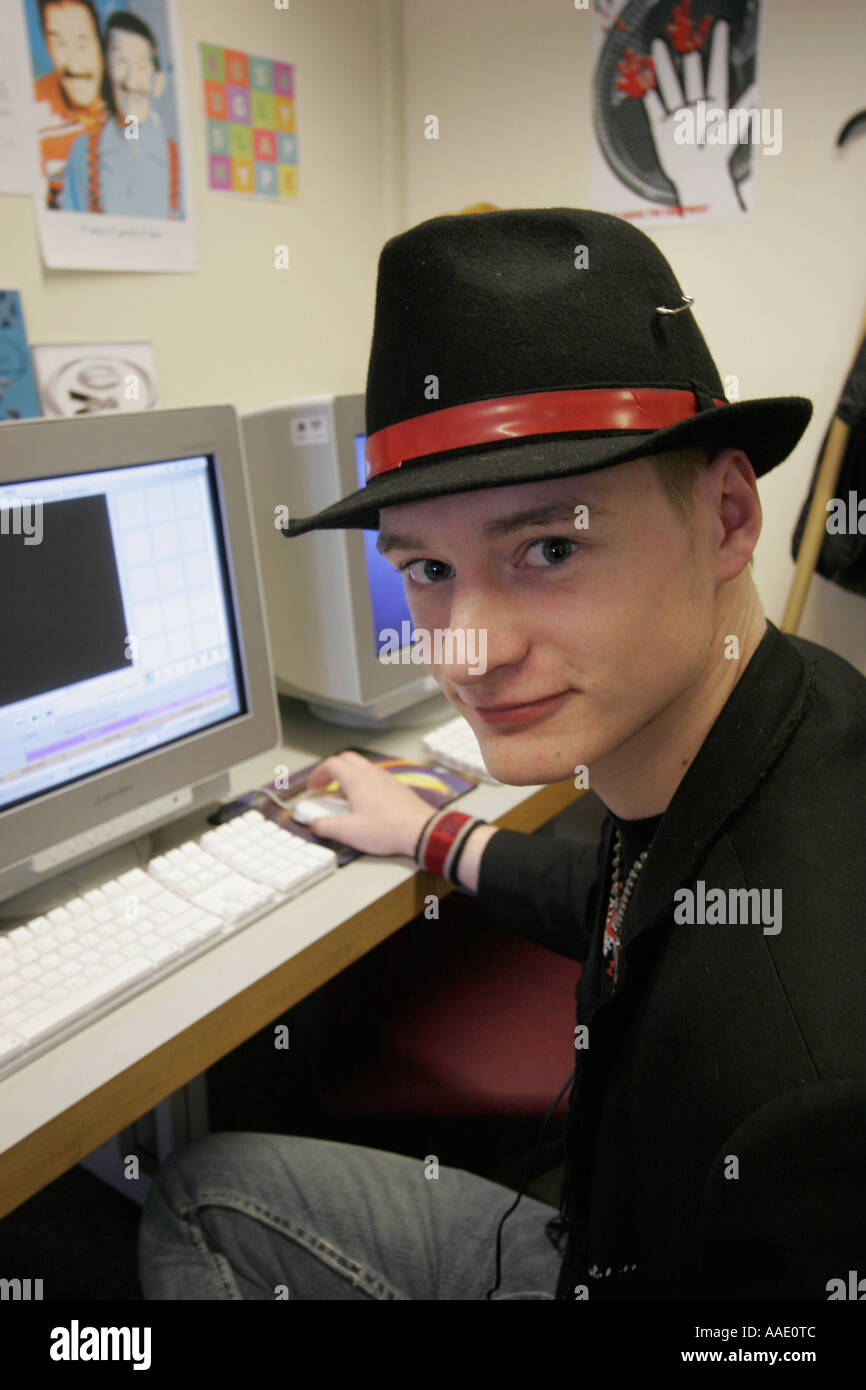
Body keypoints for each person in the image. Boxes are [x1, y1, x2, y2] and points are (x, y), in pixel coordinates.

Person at [137, 208, 866, 1301]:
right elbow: (635, 896)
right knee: (207, 1179)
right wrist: (431, 832)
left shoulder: (792, 1086)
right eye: (426, 569)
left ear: (724, 515)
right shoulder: (771, 718)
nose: (469, 650)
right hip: (604, 1214)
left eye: (549, 547)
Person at [59, 9, 181, 218]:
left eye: (141, 65)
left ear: (157, 80)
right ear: (106, 68)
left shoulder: (175, 160)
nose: (130, 80)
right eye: (120, 62)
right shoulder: (83, 152)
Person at [32, 0, 107, 209]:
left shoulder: (127, 107)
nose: (73, 63)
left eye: (82, 44)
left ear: (100, 45)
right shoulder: (33, 112)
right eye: (59, 44)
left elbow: (134, 147)